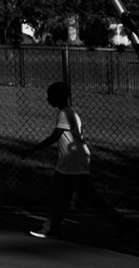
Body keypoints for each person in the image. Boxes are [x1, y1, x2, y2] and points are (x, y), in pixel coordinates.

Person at [23, 80, 128, 240]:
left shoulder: (65, 113)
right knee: (57, 195)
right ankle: (53, 228)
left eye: (50, 95)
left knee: (89, 198)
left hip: (74, 160)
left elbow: (55, 137)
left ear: (59, 97)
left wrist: (31, 150)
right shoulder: (67, 112)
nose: (48, 99)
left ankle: (124, 226)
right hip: (68, 161)